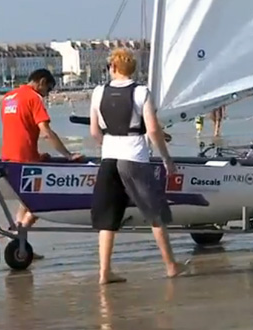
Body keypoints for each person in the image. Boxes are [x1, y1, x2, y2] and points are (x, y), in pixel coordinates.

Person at [89, 47, 188, 284]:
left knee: (108, 219)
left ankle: (104, 272)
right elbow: (153, 130)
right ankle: (171, 265)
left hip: (109, 158)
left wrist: (110, 144)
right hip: (134, 157)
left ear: (113, 67)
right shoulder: (141, 92)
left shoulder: (98, 91)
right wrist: (167, 159)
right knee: (155, 213)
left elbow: (94, 132)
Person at [0, 68, 83, 260]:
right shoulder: (33, 97)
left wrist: (37, 155)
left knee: (25, 202)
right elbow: (45, 131)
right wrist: (68, 155)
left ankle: (19, 244)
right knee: (39, 204)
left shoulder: (8, 97)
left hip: (9, 157)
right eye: (49, 89)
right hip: (25, 160)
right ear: (42, 82)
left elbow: (19, 129)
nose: (47, 95)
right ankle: (18, 241)